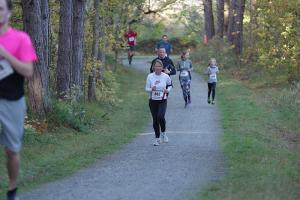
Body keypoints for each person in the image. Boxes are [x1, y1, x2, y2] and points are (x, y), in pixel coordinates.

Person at [0, 0, 37, 199]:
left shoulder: (20, 38)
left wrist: (4, 54)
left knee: (11, 151)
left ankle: (12, 189)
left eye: (0, 8)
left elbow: (28, 71)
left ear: (9, 12)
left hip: (12, 100)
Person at [145, 59, 172, 146]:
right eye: (156, 66)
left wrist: (167, 90)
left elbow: (170, 84)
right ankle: (157, 138)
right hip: (153, 100)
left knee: (160, 116)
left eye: (159, 66)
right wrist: (151, 89)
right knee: (155, 120)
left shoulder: (165, 76)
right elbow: (146, 88)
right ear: (153, 67)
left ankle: (163, 133)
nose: (158, 68)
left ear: (162, 67)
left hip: (162, 100)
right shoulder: (150, 76)